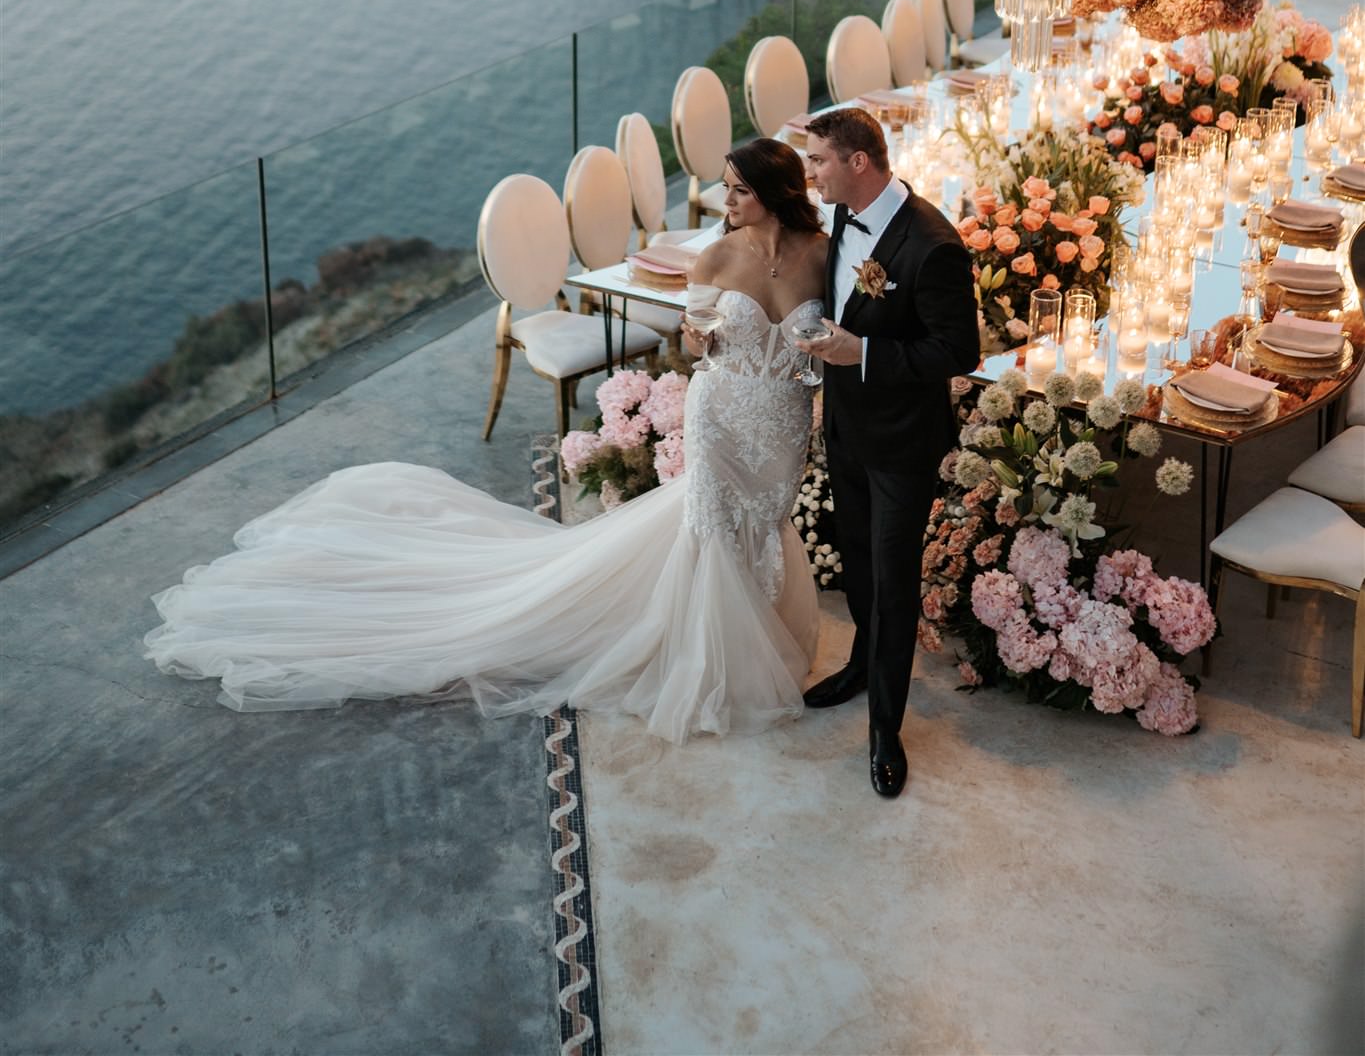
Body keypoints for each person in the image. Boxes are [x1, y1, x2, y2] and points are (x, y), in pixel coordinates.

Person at [144, 139, 828, 745]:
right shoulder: (713, 255)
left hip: (784, 416)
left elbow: (829, 334)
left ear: (774, 195)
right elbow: (694, 341)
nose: (727, 200)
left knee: (763, 521)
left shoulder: (820, 253)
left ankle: (759, 629)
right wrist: (700, 337)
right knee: (709, 525)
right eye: (729, 188)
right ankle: (711, 661)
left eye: (740, 190)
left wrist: (815, 368)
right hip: (720, 413)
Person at [800, 107, 979, 799]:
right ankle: (856, 667)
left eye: (818, 159)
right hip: (846, 426)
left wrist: (863, 351)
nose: (810, 171)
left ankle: (884, 729)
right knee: (860, 568)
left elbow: (958, 351)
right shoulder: (845, 215)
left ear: (857, 163)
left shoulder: (932, 244)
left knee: (894, 583)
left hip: (902, 440)